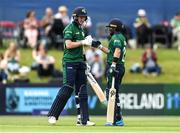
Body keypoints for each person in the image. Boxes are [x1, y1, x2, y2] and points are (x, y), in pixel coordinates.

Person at [48, 7, 95, 126]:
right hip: (69, 62)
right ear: (75, 17)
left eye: (84, 17)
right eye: (80, 17)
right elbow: (68, 45)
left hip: (80, 62)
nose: (82, 19)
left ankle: (84, 120)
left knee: (82, 90)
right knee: (68, 88)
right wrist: (83, 42)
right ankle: (53, 115)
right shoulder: (69, 28)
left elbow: (82, 49)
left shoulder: (81, 29)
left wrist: (85, 62)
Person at [92, 18, 126, 126]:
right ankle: (118, 118)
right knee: (113, 92)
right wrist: (99, 46)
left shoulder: (116, 37)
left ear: (115, 28)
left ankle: (116, 118)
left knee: (111, 93)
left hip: (116, 66)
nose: (109, 30)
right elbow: (111, 52)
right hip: (118, 66)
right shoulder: (118, 37)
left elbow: (117, 51)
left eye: (110, 28)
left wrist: (113, 65)